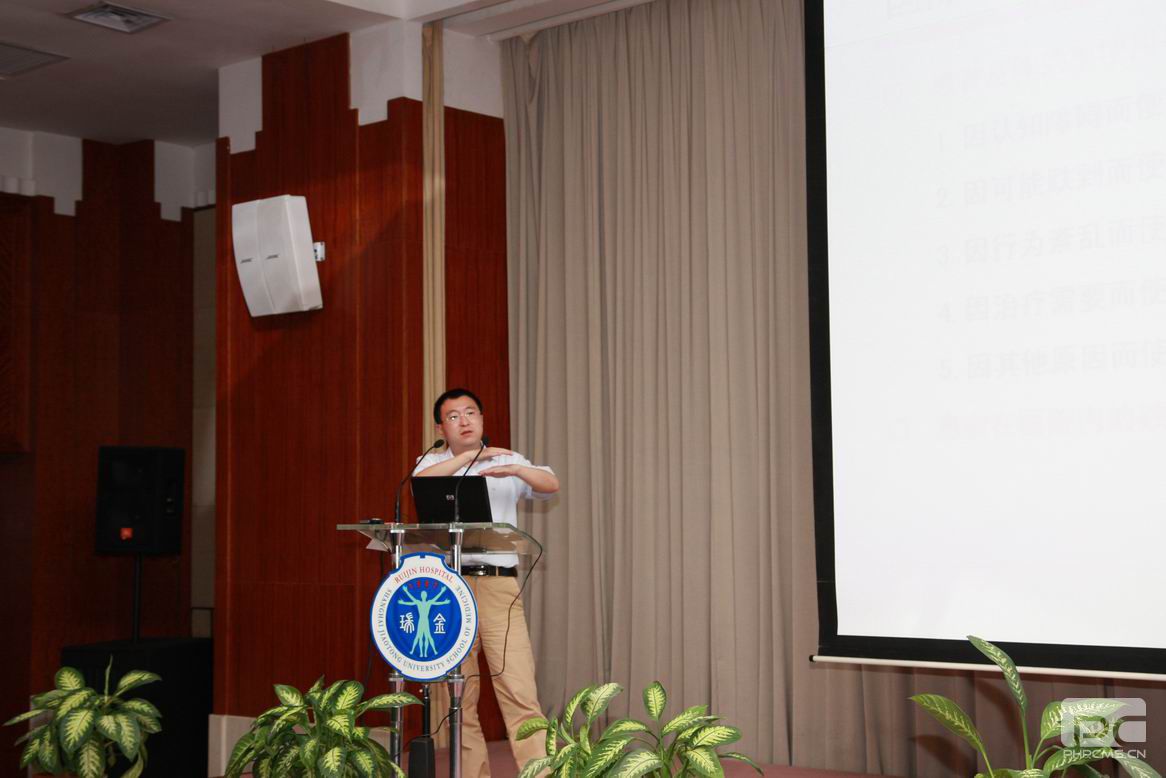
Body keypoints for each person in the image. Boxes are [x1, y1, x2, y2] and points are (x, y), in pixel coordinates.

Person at [414, 388, 559, 778]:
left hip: (498, 587)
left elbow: (550, 483)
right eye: (454, 416)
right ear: (440, 427)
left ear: (482, 418)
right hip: (450, 589)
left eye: (471, 412)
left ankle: (539, 773)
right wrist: (465, 459)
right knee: (460, 698)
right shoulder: (434, 461)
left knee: (519, 689)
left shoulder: (506, 459)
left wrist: (516, 470)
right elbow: (418, 482)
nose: (464, 421)